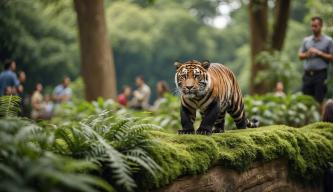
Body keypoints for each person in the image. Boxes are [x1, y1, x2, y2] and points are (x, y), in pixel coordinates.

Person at [298, 16, 333, 114]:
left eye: (315, 26)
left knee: (319, 100)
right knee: (306, 100)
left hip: (320, 75)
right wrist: (307, 54)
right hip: (307, 75)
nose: (313, 28)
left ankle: (319, 124)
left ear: (321, 26)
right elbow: (300, 56)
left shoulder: (328, 41)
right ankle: (307, 124)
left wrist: (319, 53)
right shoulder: (306, 40)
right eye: (312, 26)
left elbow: (332, 57)